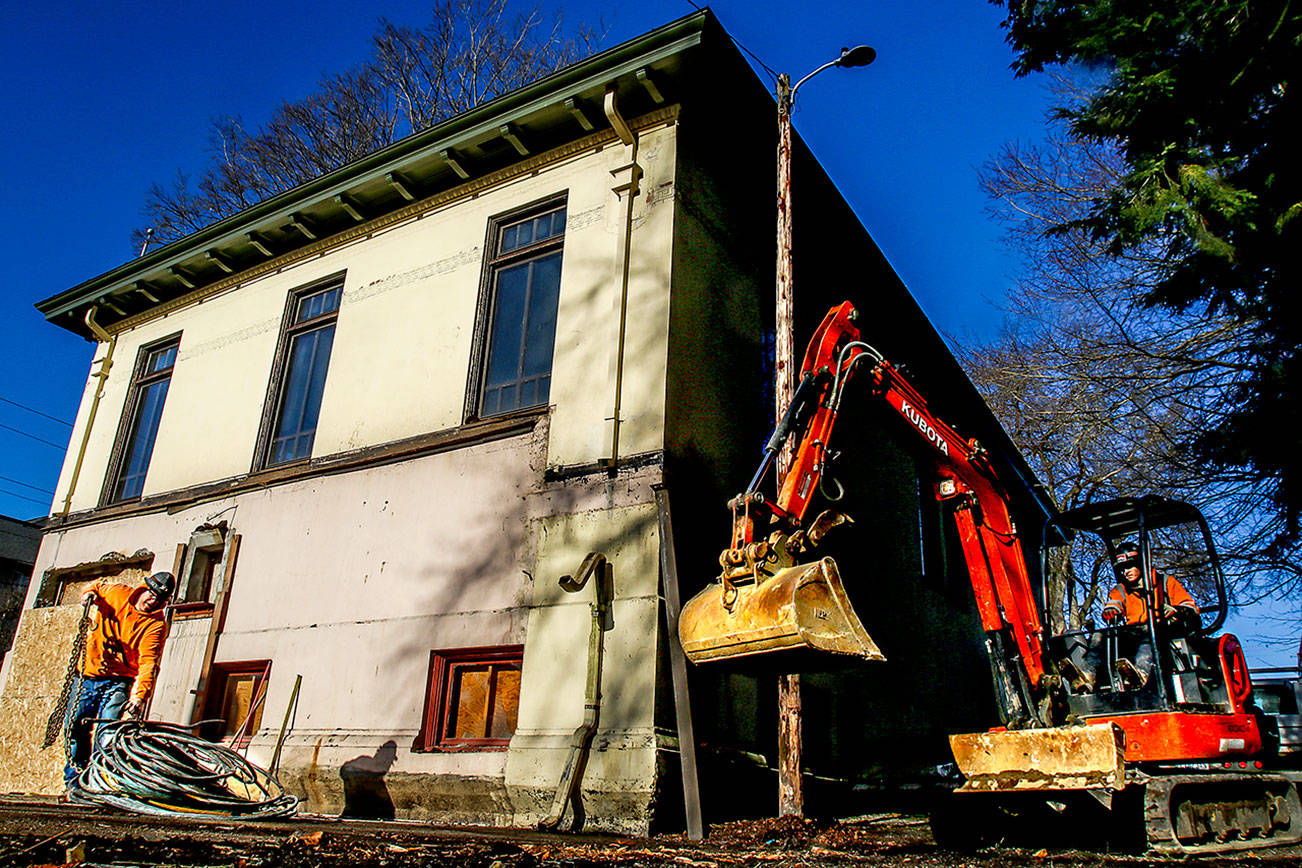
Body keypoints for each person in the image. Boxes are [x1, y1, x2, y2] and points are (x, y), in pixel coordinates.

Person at [63, 571, 174, 790]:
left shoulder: (155, 625)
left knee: (107, 732)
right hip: (87, 675)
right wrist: (88, 596)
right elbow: (94, 586)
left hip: (119, 681)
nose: (152, 602)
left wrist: (140, 696)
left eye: (159, 600)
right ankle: (74, 781)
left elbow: (148, 662)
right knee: (74, 727)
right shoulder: (117, 594)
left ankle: (97, 782)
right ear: (144, 589)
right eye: (151, 595)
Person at [1063, 543, 1199, 693]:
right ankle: (1088, 676)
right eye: (1123, 568)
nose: (1126, 572)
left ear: (1141, 563)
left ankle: (1141, 674)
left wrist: (1176, 610)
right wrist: (1111, 610)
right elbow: (1115, 603)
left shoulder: (1166, 583)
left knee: (1150, 631)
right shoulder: (1121, 589)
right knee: (1100, 635)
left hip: (1163, 635)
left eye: (1130, 566)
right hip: (1132, 634)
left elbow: (1190, 607)